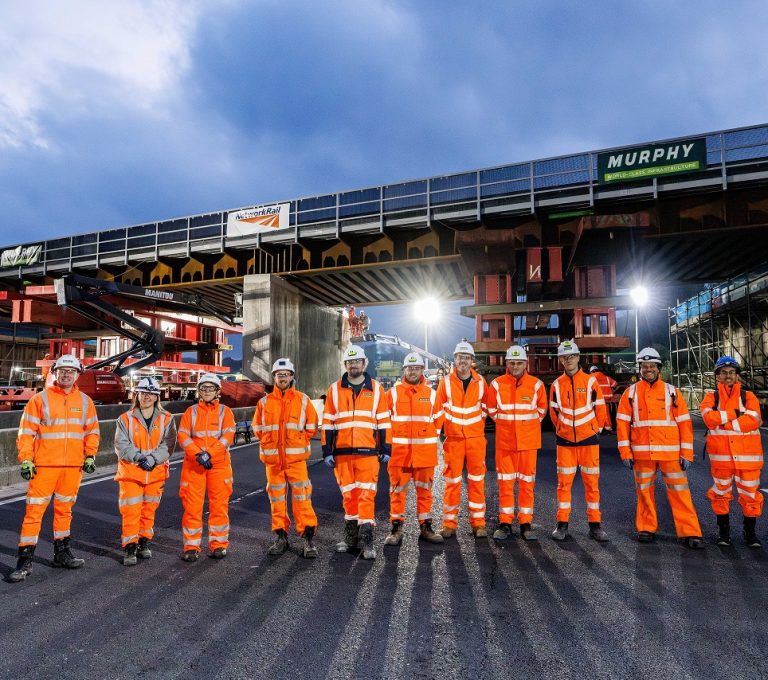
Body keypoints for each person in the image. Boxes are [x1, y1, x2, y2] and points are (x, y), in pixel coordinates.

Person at [9, 354, 99, 582]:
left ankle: (62, 553)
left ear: (78, 374)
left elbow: (92, 432)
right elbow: (26, 433)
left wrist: (90, 456)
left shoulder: (86, 402)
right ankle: (24, 561)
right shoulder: (40, 400)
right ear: (55, 373)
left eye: (71, 371)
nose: (66, 374)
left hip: (72, 468)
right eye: (62, 371)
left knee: (64, 512)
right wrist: (26, 459)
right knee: (34, 513)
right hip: (44, 467)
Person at [616, 347, 703, 548]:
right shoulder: (630, 394)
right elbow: (622, 425)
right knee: (644, 493)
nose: (648, 369)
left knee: (680, 493)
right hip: (641, 454)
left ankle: (690, 532)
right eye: (644, 366)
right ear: (639, 369)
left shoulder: (672, 392)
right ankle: (646, 528)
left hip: (671, 454)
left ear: (659, 368)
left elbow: (684, 424)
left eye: (652, 366)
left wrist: (687, 453)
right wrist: (625, 452)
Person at [322, 345, 391, 560]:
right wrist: (327, 451)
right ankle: (351, 538)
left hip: (368, 452)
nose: (354, 365)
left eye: (357, 361)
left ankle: (368, 541)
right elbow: (328, 423)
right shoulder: (334, 389)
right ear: (346, 365)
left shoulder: (377, 389)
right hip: (342, 453)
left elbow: (384, 421)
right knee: (349, 496)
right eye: (350, 362)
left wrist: (385, 447)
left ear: (364, 364)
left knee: (366, 495)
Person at [253, 358, 320, 558]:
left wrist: (297, 442)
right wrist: (268, 442)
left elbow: (311, 427)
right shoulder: (264, 402)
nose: (283, 378)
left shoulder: (303, 400)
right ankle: (281, 537)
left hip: (296, 461)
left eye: (286, 375)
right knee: (277, 501)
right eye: (279, 375)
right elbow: (257, 428)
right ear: (274, 377)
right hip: (273, 462)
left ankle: (308, 540)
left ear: (292, 377)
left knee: (302, 500)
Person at [549, 340, 609, 542]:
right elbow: (553, 411)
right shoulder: (556, 385)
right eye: (565, 357)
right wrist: (561, 430)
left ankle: (595, 526)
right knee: (563, 485)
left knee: (592, 485)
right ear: (560, 360)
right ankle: (562, 525)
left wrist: (596, 430)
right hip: (565, 442)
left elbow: (600, 408)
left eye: (572, 356)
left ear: (578, 357)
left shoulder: (591, 382)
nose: (569, 359)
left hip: (588, 440)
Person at [701, 356, 764, 547]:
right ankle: (724, 533)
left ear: (737, 375)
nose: (727, 376)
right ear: (717, 376)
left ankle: (750, 534)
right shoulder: (711, 397)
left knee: (750, 496)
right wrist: (736, 414)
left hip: (748, 459)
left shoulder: (748, 396)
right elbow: (708, 419)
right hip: (722, 458)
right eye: (723, 372)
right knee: (721, 494)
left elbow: (753, 420)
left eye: (731, 372)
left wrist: (723, 422)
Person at [114, 376, 177, 565]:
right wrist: (141, 458)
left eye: (151, 393)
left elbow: (169, 445)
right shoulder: (125, 419)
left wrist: (152, 459)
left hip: (155, 473)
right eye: (143, 393)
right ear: (137, 395)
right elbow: (121, 445)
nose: (147, 397)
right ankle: (130, 547)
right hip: (132, 473)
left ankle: (144, 543)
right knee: (131, 511)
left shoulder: (167, 419)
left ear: (157, 397)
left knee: (149, 510)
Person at [487, 345, 548, 541]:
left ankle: (525, 523)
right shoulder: (496, 384)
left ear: (525, 363)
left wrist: (524, 427)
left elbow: (541, 411)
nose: (515, 366)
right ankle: (505, 523)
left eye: (519, 362)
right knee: (505, 485)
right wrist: (508, 425)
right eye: (512, 363)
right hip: (505, 443)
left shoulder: (536, 385)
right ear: (507, 363)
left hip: (528, 444)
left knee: (526, 484)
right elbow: (491, 409)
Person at [384, 352, 444, 545]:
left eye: (416, 368)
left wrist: (429, 436)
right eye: (409, 368)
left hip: (424, 455)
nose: (413, 372)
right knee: (397, 492)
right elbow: (384, 421)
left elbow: (439, 419)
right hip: (399, 454)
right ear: (404, 370)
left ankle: (426, 528)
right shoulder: (392, 394)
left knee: (425, 492)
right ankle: (396, 528)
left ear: (422, 371)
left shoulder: (432, 394)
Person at [177, 373, 236, 561]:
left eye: (210, 388)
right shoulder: (190, 412)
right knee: (192, 507)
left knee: (219, 506)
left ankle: (218, 544)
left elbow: (228, 436)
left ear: (217, 391)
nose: (207, 392)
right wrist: (199, 454)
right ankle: (191, 547)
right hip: (194, 465)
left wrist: (209, 454)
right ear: (199, 391)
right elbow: (183, 436)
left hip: (218, 465)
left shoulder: (225, 412)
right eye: (203, 388)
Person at [436, 340, 490, 538]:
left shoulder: (481, 382)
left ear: (472, 361)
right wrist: (448, 428)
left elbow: (486, 407)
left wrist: (476, 425)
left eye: (466, 358)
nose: (463, 362)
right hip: (454, 439)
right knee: (452, 482)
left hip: (475, 439)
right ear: (455, 359)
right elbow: (438, 409)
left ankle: (478, 524)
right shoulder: (446, 383)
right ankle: (449, 524)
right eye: (460, 357)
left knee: (477, 481)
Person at [588, 365, 617, 430]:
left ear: (592, 371)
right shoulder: (606, 378)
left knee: (594, 413)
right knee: (606, 413)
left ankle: (596, 427)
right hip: (606, 399)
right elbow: (615, 384)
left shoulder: (590, 377)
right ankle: (608, 427)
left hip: (596, 399)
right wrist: (612, 391)